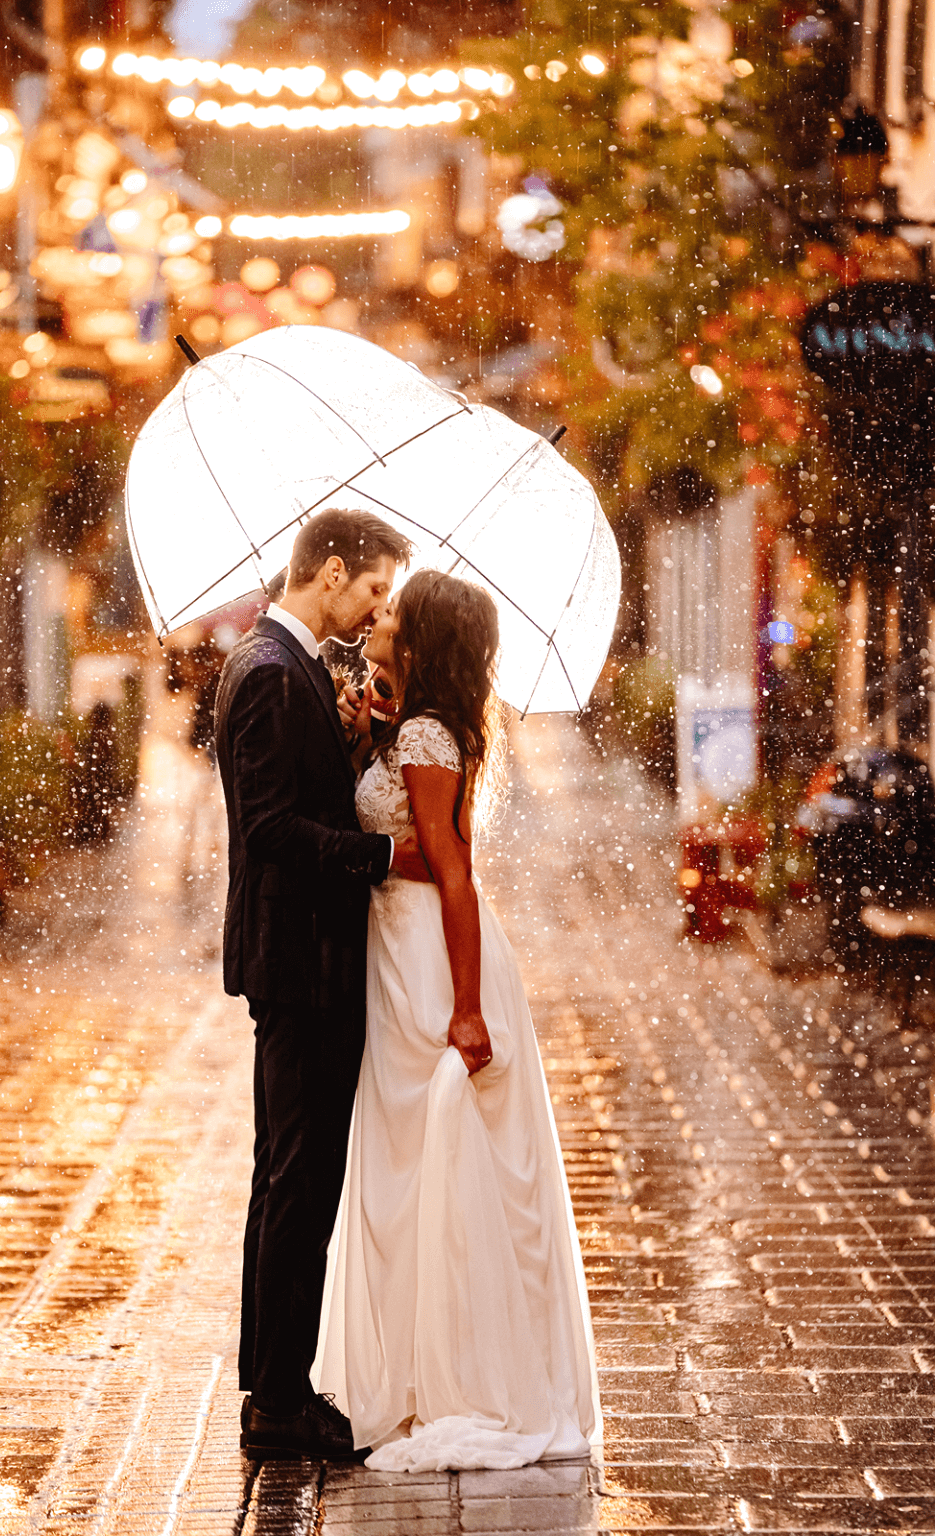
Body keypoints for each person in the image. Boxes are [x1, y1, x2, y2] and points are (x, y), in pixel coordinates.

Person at [315, 569, 602, 1472]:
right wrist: (373, 735)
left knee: (441, 1164)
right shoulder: (420, 727)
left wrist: (470, 1009)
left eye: (395, 610)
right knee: (412, 1167)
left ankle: (458, 1378)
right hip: (400, 962)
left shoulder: (432, 735)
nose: (380, 615)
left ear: (423, 636)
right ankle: (416, 1370)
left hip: (434, 970)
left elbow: (452, 871)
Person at [214, 507, 424, 1461]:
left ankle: (276, 1384)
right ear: (331, 569)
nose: (377, 608)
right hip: (299, 962)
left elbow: (298, 798)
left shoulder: (290, 668)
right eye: (376, 589)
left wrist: (348, 748)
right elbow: (269, 831)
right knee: (298, 1180)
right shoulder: (266, 671)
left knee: (292, 1177)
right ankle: (278, 1402)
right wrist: (378, 852)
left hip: (306, 957)